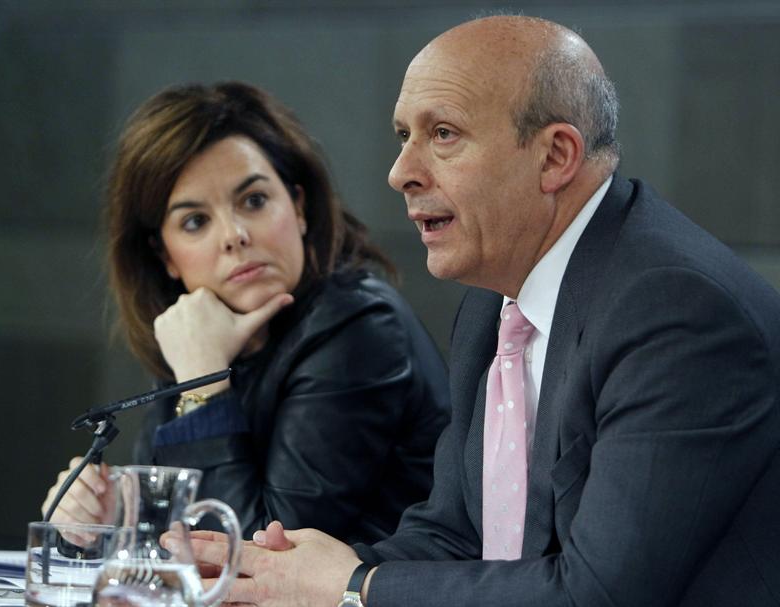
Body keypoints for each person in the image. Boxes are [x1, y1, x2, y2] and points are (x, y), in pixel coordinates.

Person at [172, 15, 780, 607]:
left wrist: (353, 588)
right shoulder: (494, 302)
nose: (400, 173)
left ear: (555, 157)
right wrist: (283, 579)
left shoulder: (675, 311)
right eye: (403, 136)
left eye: (443, 134)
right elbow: (456, 536)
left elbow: (597, 593)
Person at [41, 81, 450, 544]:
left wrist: (202, 384)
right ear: (166, 256)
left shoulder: (359, 326)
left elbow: (260, 552)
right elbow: (173, 535)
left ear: (298, 207)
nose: (234, 235)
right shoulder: (204, 330)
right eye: (195, 221)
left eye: (254, 201)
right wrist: (108, 518)